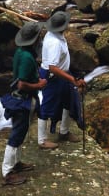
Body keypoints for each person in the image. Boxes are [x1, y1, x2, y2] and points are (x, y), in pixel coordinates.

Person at [1, 21, 47, 186]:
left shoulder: (21, 51)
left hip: (18, 99)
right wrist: (39, 85)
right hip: (22, 100)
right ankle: (7, 172)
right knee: (17, 134)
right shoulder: (27, 57)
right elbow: (21, 84)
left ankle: (17, 163)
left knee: (21, 132)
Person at [37, 10, 86, 149]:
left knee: (68, 101)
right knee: (47, 106)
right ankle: (42, 140)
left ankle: (64, 132)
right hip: (52, 77)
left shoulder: (54, 34)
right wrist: (72, 79)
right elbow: (52, 67)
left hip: (62, 74)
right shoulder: (54, 43)